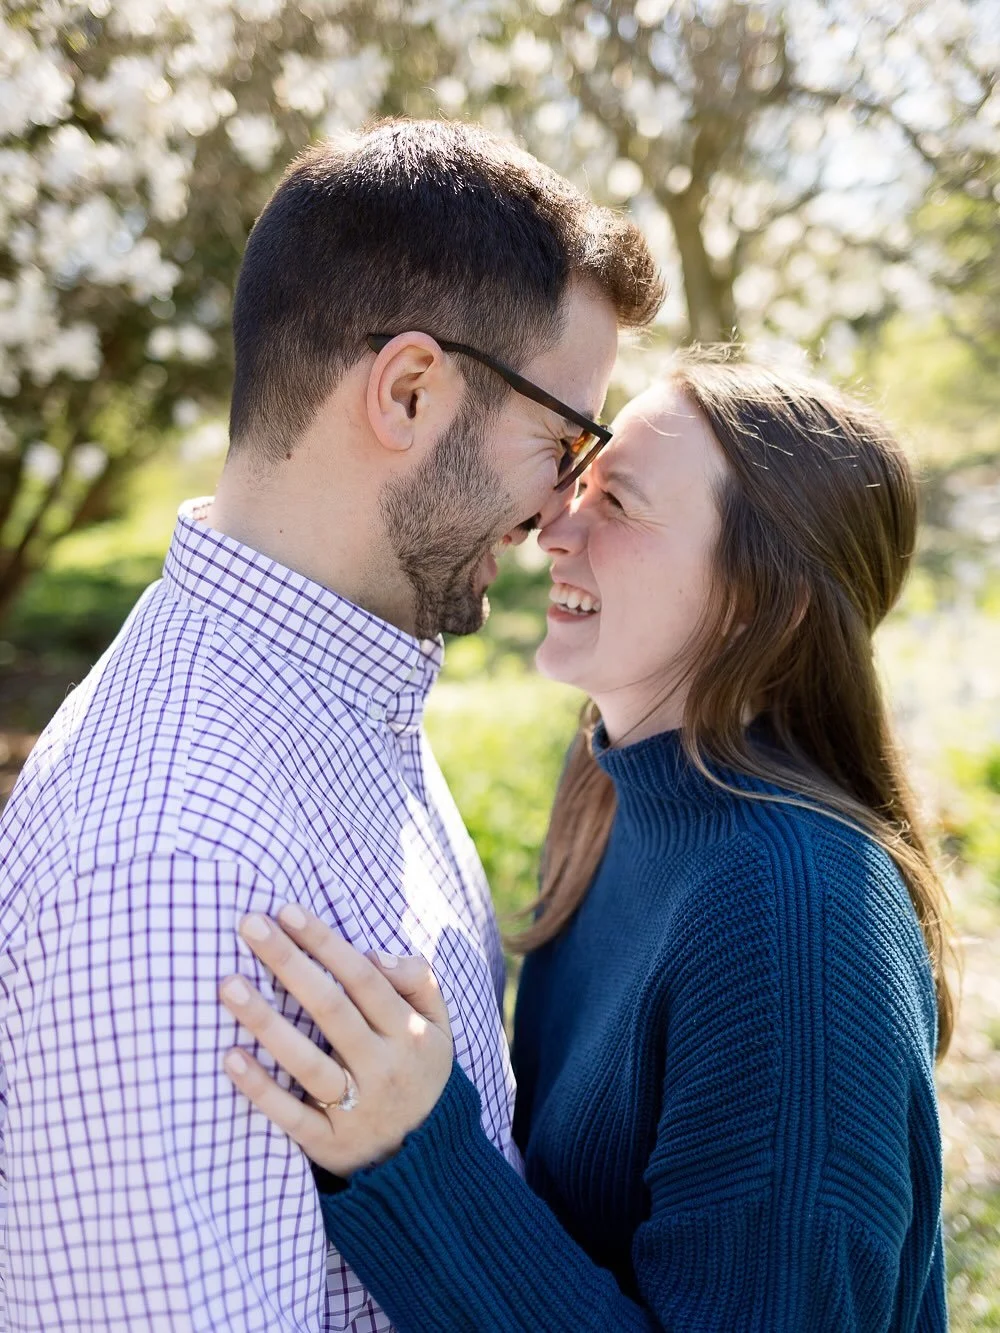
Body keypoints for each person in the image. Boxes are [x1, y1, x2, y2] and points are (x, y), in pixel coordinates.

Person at [0, 119, 662, 1330]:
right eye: (565, 439)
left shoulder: (342, 698)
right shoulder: (175, 865)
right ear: (410, 390)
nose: (570, 502)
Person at [221, 351, 952, 1332]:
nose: (549, 530)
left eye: (619, 505)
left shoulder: (795, 921)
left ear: (761, 601)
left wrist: (418, 1159)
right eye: (576, 484)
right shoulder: (612, 792)